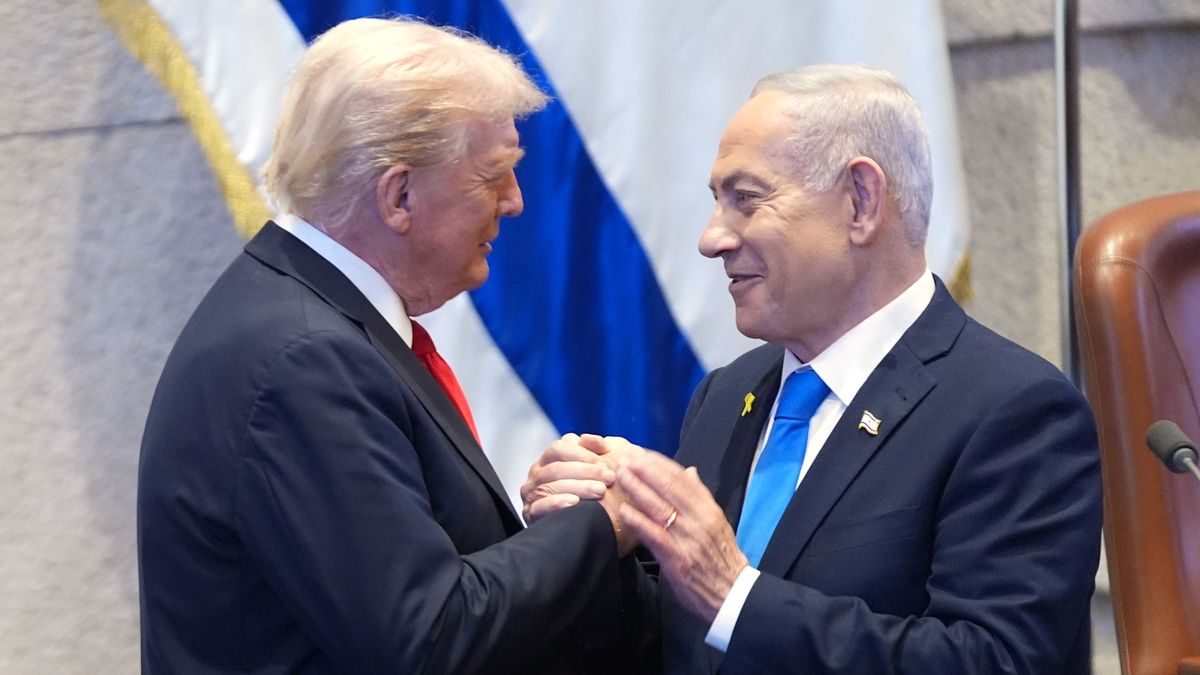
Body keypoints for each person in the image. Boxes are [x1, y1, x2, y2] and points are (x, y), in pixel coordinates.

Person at [523, 64, 1102, 673]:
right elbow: (686, 643)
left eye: (745, 200)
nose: (712, 239)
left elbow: (993, 661)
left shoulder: (1014, 411)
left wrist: (735, 595)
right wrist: (592, 540)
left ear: (861, 201)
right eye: (717, 203)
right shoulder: (728, 394)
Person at [138, 17, 641, 674]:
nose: (514, 202)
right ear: (399, 194)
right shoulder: (305, 358)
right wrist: (604, 521)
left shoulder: (312, 320)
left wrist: (561, 515)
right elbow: (429, 637)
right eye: (494, 176)